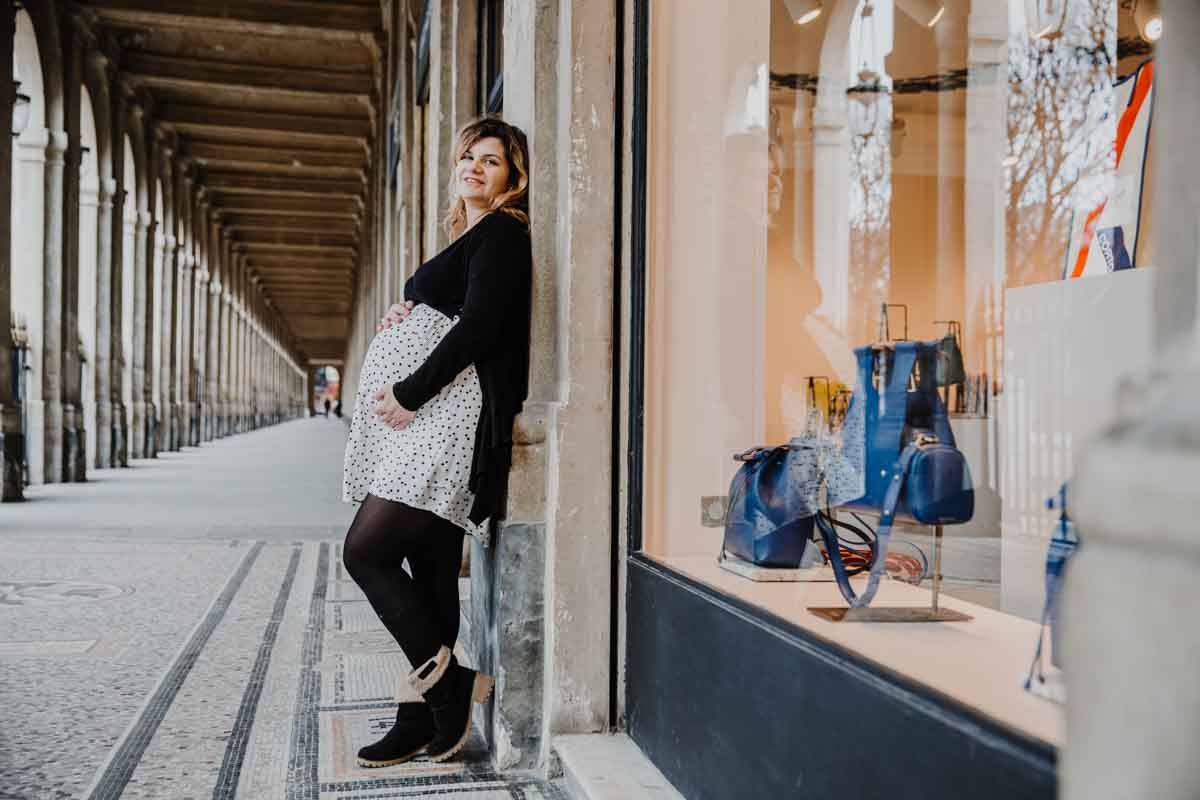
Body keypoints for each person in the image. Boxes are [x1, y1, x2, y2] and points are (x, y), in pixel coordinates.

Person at [340, 116, 532, 767]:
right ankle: (421, 719)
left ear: (514, 178)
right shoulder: (470, 237)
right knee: (429, 570)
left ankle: (449, 686)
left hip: (447, 419)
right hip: (431, 422)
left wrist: (409, 392)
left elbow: (477, 327)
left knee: (364, 551)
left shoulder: (504, 234)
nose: (475, 168)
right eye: (468, 158)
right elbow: (450, 310)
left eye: (492, 161)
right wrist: (411, 309)